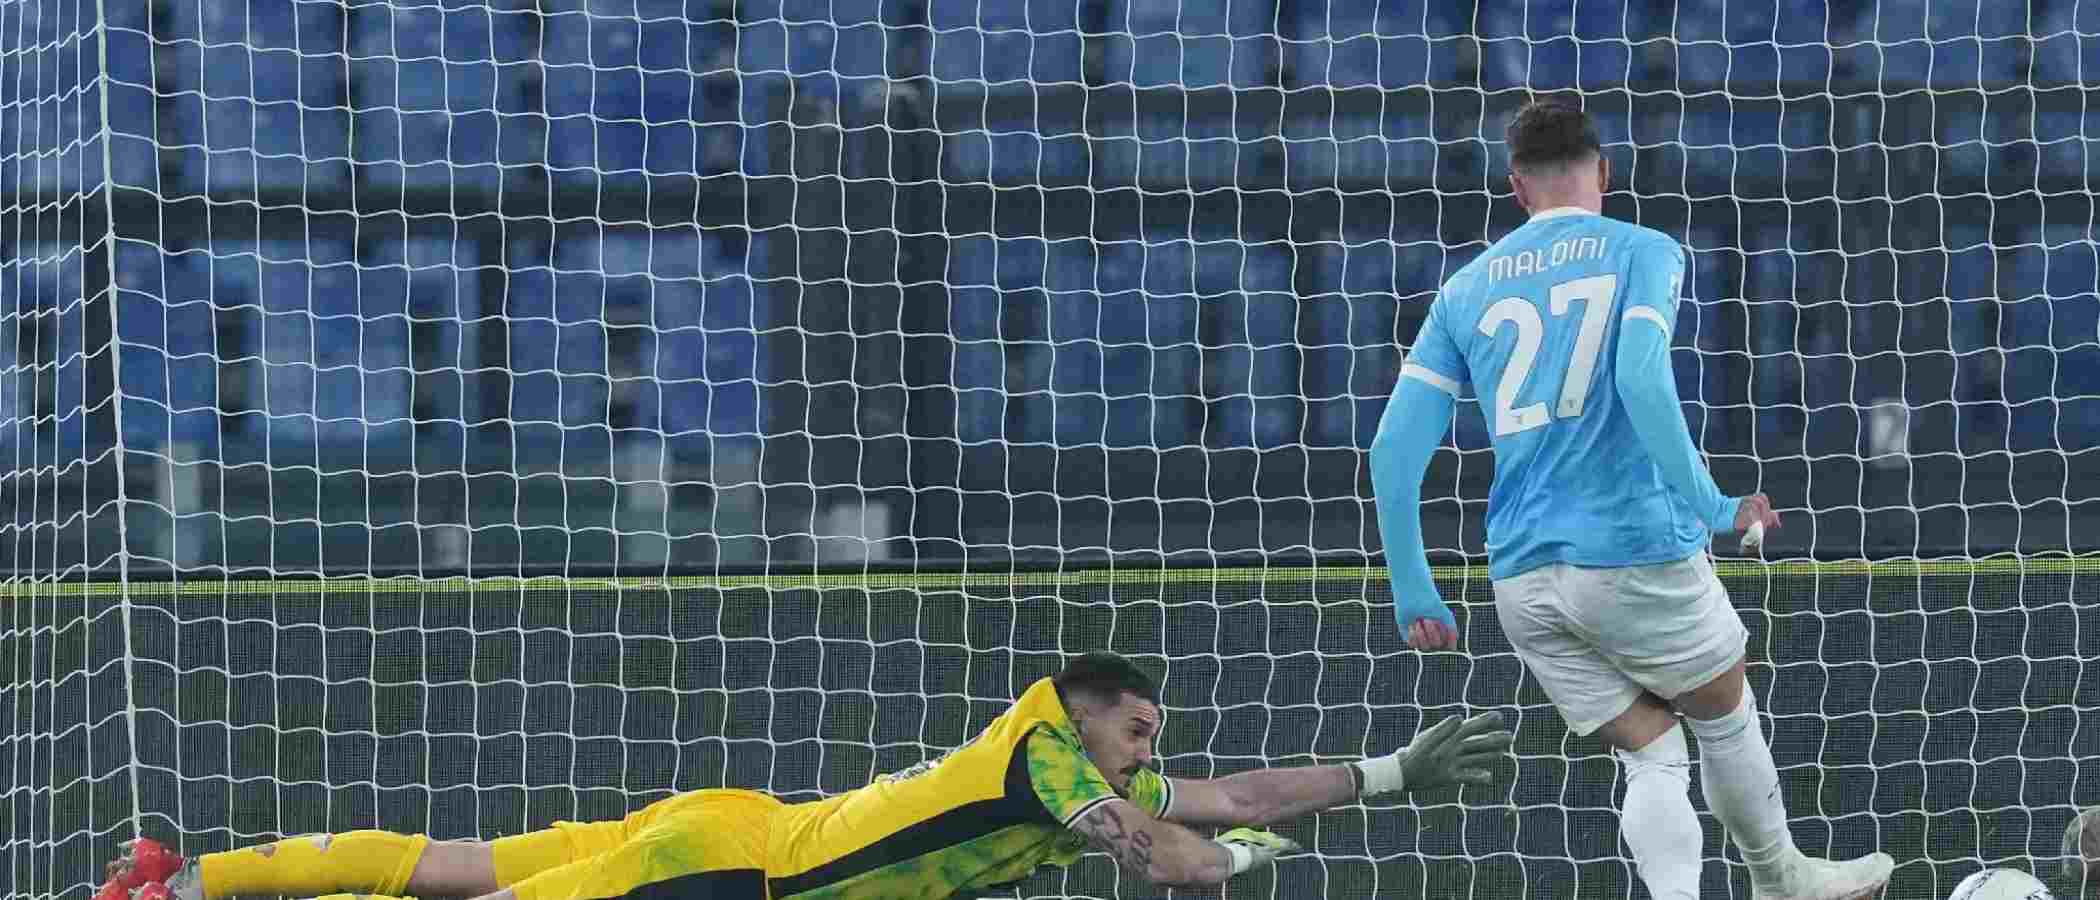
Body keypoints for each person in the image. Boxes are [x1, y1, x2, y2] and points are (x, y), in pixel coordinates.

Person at [1366, 98, 1894, 900]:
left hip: (1521, 579)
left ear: (1517, 186)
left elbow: (1393, 451)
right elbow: (1640, 377)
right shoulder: (1643, 249)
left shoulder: (1464, 290)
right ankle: (1782, 879)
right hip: (1631, 546)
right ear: (1603, 169)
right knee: (1723, 713)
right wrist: (1718, 508)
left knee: (1651, 753)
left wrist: (1413, 587)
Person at [101, 651, 1510, 900]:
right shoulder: (1045, 761)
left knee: (466, 872)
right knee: (474, 897)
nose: (1158, 754)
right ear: (1093, 712)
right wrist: (1239, 868)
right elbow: (1172, 851)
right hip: (731, 869)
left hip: (734, 834)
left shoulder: (1059, 762)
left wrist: (1379, 777)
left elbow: (1232, 804)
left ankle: (182, 884)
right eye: (1142, 730)